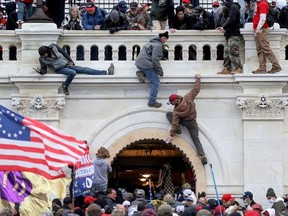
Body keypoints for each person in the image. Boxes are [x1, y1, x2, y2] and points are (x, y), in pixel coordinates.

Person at [35, 44, 114, 95]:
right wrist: (40, 72)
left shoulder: (54, 47)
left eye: (44, 54)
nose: (43, 56)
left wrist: (71, 62)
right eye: (42, 55)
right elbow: (44, 71)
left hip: (68, 64)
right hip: (60, 69)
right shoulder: (42, 59)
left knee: (85, 69)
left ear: (47, 51)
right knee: (72, 73)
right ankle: (65, 85)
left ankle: (106, 72)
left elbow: (64, 53)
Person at [165, 74, 207, 165]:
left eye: (172, 102)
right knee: (196, 139)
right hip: (192, 122)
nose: (172, 104)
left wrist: (172, 134)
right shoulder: (188, 98)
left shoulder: (176, 111)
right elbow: (196, 89)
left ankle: (179, 130)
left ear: (175, 101)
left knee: (168, 114)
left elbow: (175, 123)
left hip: (184, 122)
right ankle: (202, 156)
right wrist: (198, 79)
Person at [135, 31, 169, 108]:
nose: (165, 40)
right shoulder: (158, 45)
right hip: (146, 64)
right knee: (155, 82)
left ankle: (141, 73)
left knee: (150, 73)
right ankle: (152, 102)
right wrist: (160, 71)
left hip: (139, 64)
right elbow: (155, 60)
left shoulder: (151, 42)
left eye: (166, 39)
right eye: (164, 38)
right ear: (160, 37)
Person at [252, 0, 282, 74]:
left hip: (261, 29)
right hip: (259, 29)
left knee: (265, 48)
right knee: (260, 49)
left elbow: (263, 18)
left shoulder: (262, 3)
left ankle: (276, 66)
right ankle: (262, 68)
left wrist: (258, 29)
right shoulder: (260, 3)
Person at [217, 1, 243, 74]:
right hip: (229, 34)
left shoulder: (234, 7)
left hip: (234, 34)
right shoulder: (230, 8)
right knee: (226, 52)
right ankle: (227, 68)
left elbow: (232, 19)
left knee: (233, 52)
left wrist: (224, 27)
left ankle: (238, 68)